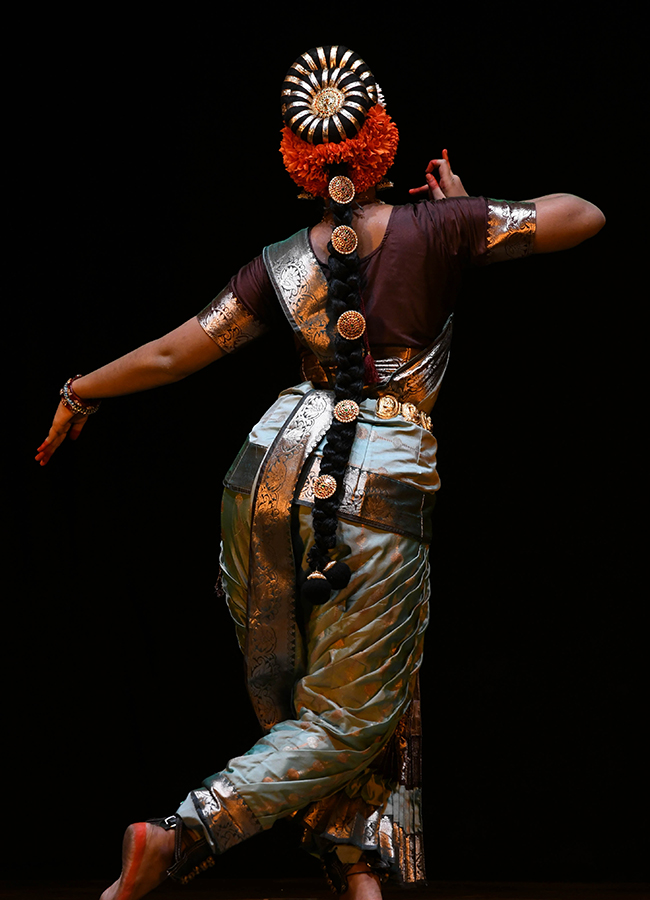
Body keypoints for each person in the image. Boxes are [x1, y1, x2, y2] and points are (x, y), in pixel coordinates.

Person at [37, 46, 605, 900]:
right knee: (350, 711)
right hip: (377, 485)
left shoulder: (278, 264)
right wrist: (467, 213)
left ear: (297, 160)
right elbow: (581, 215)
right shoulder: (442, 231)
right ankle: (180, 835)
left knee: (328, 698)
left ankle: (359, 883)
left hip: (264, 476)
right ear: (381, 141)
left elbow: (169, 353)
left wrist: (78, 392)